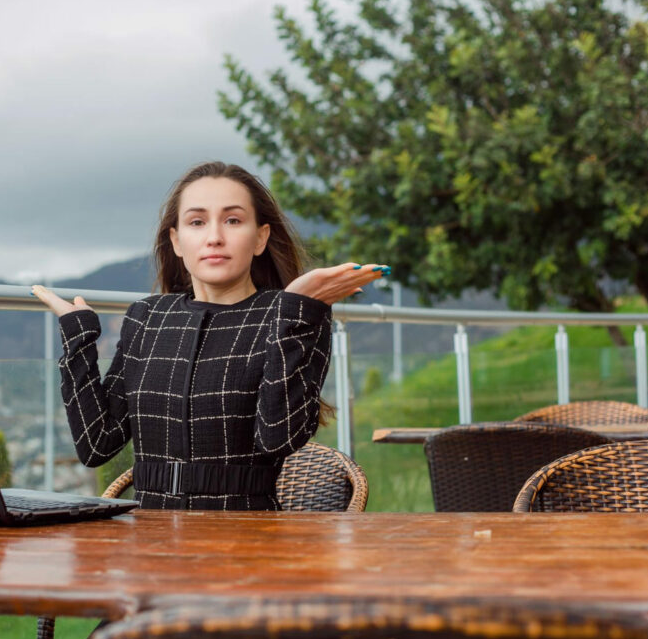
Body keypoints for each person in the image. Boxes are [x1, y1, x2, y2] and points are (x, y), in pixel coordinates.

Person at [32, 161, 387, 510]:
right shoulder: (147, 317)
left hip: (246, 535)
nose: (215, 237)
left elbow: (279, 438)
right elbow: (97, 444)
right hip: (147, 536)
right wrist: (78, 338)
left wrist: (295, 313)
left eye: (233, 220)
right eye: (197, 222)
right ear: (177, 240)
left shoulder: (292, 316)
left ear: (260, 237)